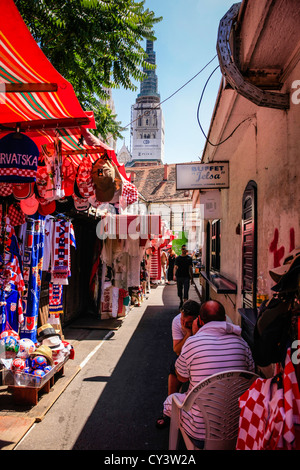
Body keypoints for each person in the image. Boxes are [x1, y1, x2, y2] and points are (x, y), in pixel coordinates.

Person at [158, 300, 255, 444]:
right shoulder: (242, 343)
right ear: (224, 319)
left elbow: (182, 377)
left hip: (200, 429)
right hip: (237, 425)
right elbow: (251, 375)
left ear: (200, 320)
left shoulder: (192, 343)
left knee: (170, 402)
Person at [156, 299, 201, 429]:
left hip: (200, 353)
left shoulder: (203, 322)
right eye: (182, 319)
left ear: (198, 320)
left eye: (188, 322)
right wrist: (188, 333)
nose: (183, 323)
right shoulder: (177, 321)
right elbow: (176, 350)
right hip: (185, 354)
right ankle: (170, 410)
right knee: (174, 367)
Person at [173, 244, 194, 309]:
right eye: (183, 249)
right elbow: (175, 267)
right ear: (181, 250)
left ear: (186, 250)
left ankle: (185, 305)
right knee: (179, 291)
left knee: (186, 290)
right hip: (179, 276)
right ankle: (181, 301)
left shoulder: (189, 258)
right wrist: (174, 275)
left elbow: (190, 268)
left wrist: (192, 278)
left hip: (186, 277)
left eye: (185, 249)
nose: (184, 250)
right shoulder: (178, 258)